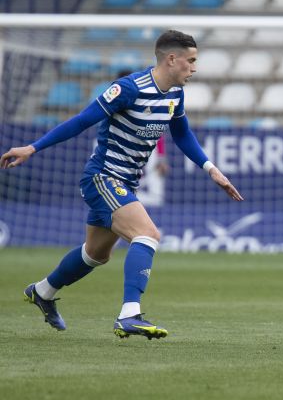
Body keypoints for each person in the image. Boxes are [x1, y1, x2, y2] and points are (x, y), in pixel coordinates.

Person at [1, 30, 243, 339]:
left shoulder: (175, 94)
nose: (194, 68)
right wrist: (33, 148)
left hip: (127, 182)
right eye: (191, 61)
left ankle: (43, 291)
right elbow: (81, 121)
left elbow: (181, 133)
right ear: (172, 59)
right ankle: (130, 314)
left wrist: (211, 170)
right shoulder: (128, 89)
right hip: (102, 177)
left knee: (96, 254)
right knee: (148, 234)